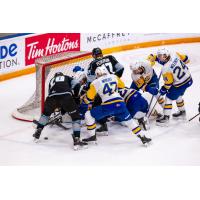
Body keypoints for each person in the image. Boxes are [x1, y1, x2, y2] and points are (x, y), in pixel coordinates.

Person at [82, 66, 152, 145]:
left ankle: (92, 136)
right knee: (130, 122)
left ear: (97, 74)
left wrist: (86, 99)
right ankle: (143, 137)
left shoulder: (95, 82)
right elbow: (122, 86)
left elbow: (89, 98)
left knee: (88, 114)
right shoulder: (114, 77)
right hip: (120, 104)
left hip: (107, 105)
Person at [33, 72, 88, 150]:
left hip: (51, 98)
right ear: (62, 75)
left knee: (45, 115)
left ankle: (38, 130)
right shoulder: (67, 77)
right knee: (76, 118)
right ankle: (77, 139)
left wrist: (57, 106)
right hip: (66, 97)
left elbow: (50, 92)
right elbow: (77, 84)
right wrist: (75, 97)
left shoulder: (51, 80)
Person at [150, 48, 193, 126]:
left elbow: (169, 83)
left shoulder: (165, 69)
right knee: (178, 95)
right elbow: (186, 59)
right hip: (188, 79)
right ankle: (182, 112)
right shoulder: (175, 54)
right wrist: (155, 58)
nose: (159, 57)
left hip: (180, 84)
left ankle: (166, 118)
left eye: (161, 56)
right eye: (159, 56)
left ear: (166, 56)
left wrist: (163, 89)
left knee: (168, 98)